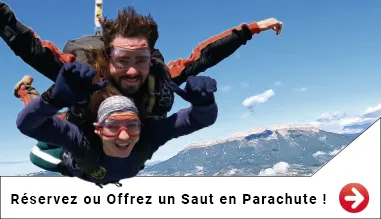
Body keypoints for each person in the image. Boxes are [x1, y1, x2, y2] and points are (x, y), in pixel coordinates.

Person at [1, 2, 283, 120]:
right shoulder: (83, 73)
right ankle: (24, 91)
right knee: (48, 125)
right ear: (108, 59)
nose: (133, 70)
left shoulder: (160, 75)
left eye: (141, 59)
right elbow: (33, 50)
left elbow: (204, 56)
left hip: (129, 126)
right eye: (123, 60)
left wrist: (252, 29)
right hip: (83, 119)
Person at [16, 61, 218, 185]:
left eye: (132, 125)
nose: (124, 136)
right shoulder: (79, 140)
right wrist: (52, 99)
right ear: (99, 129)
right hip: (67, 158)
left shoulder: (148, 136)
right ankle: (24, 89)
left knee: (48, 120)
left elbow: (198, 119)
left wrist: (204, 104)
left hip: (87, 163)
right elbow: (28, 124)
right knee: (36, 153)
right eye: (113, 126)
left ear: (140, 126)